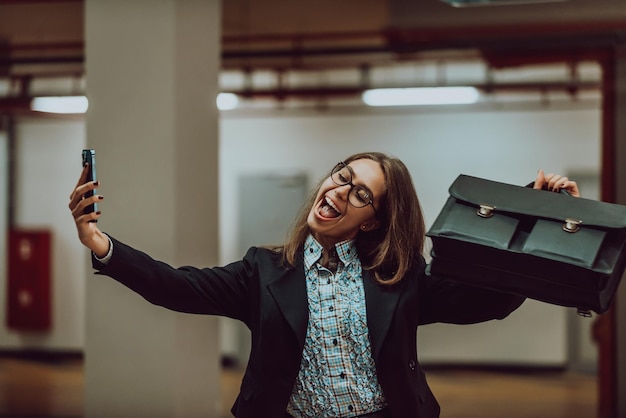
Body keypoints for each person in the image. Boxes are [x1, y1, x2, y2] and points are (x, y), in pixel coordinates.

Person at [69, 151, 579, 418]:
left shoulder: (398, 278)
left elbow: (485, 302)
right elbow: (176, 287)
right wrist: (99, 242)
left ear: (373, 221)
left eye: (360, 193)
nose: (339, 190)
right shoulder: (264, 271)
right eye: (341, 175)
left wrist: (539, 217)